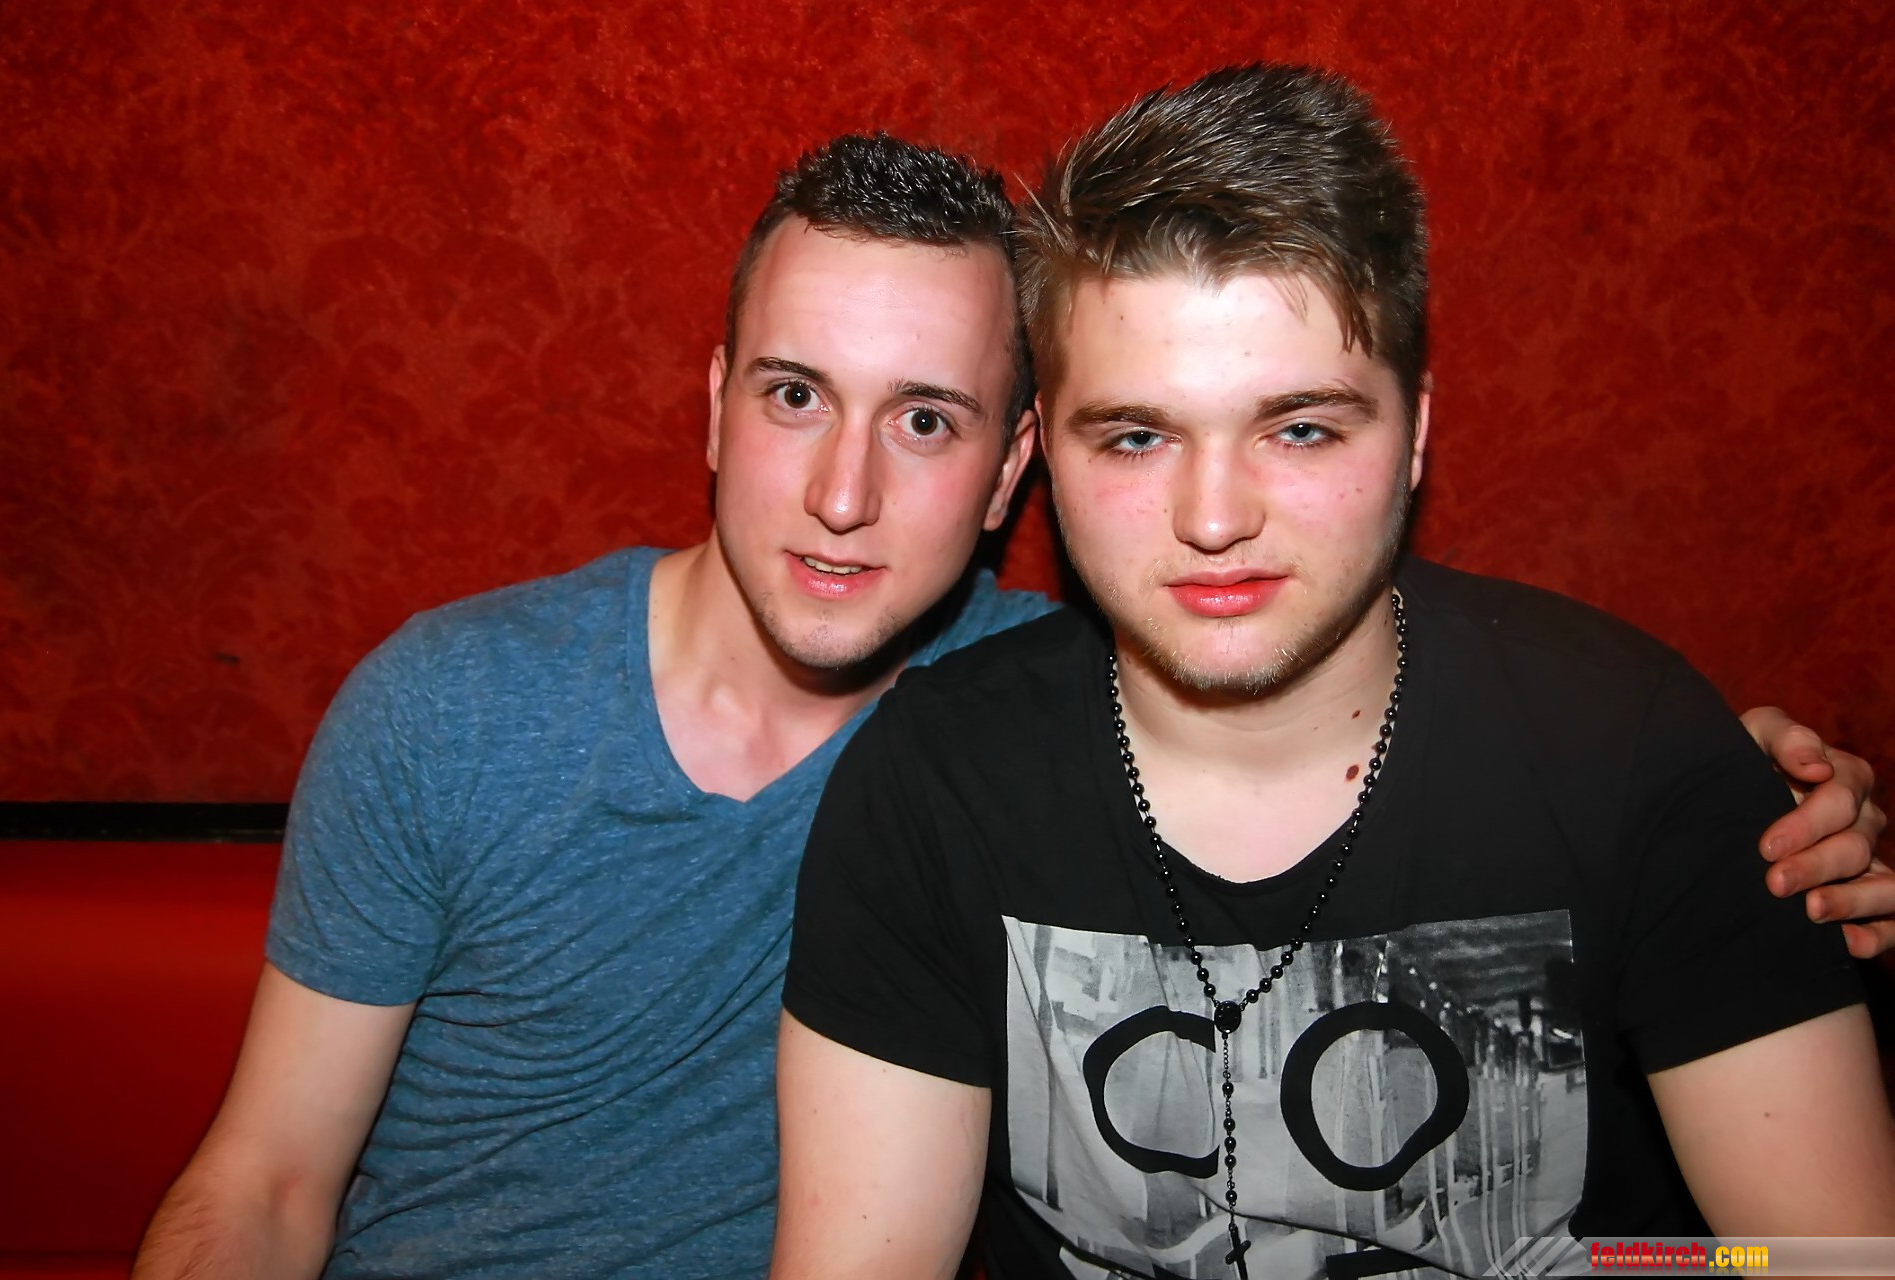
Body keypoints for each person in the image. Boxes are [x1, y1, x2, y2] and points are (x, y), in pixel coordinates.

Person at [134, 132, 1882, 1279]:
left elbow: (1352, 683)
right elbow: (263, 1186)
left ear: (1010, 473)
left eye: (926, 420)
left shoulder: (1036, 708)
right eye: (795, 395)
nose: (841, 494)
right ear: (713, 404)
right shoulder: (458, 707)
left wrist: (1721, 791)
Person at [772, 68, 1895, 1280]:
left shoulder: (1633, 754)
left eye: (1300, 427)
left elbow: (1825, 1261)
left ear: (1414, 434)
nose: (1214, 518)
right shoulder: (938, 780)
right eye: (1139, 435)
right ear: (1050, 457)